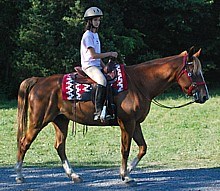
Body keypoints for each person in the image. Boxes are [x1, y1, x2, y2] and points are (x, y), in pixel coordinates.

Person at [80, 7, 118, 121]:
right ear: (89, 21)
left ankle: (109, 108)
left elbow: (98, 57)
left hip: (96, 65)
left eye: (99, 20)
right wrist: (110, 53)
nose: (98, 22)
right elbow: (93, 55)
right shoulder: (87, 36)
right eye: (95, 20)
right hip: (89, 66)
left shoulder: (95, 35)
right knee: (102, 81)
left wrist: (104, 66)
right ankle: (98, 111)